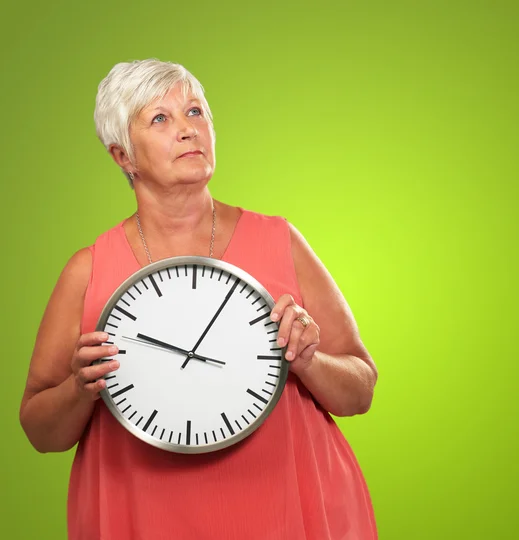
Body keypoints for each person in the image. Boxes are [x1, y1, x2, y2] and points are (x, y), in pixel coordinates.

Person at [19, 59, 378, 540]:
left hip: (288, 507)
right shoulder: (87, 270)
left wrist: (307, 360)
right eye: (161, 119)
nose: (188, 130)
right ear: (122, 156)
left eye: (195, 112)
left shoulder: (280, 240)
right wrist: (79, 390)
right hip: (144, 513)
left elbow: (360, 391)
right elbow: (41, 433)